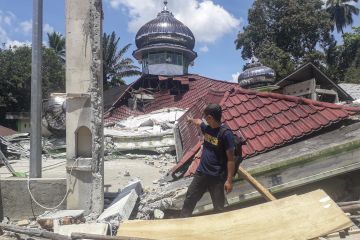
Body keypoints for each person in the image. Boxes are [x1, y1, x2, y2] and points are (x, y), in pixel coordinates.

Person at [180, 103, 236, 218]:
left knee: (219, 208)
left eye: (205, 117)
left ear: (210, 117)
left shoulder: (226, 134)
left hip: (217, 178)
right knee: (189, 199)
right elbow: (198, 122)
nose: (204, 119)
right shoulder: (207, 128)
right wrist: (191, 120)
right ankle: (182, 223)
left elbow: (231, 160)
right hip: (201, 173)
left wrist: (229, 181)